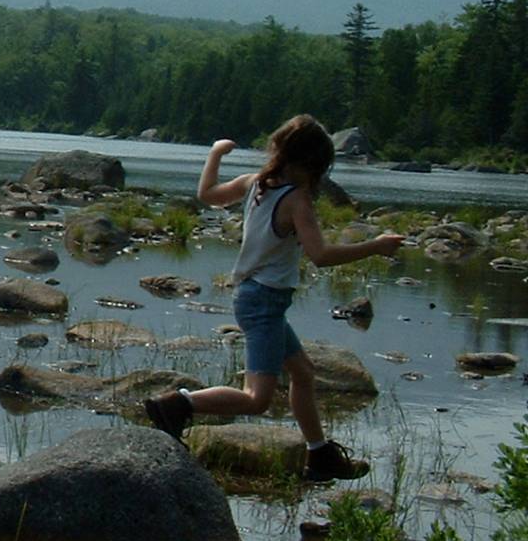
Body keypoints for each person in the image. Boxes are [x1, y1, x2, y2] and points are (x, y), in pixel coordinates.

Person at [144, 114, 404, 482]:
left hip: (255, 297)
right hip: (264, 302)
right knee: (256, 399)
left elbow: (207, 195)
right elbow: (321, 255)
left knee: (303, 372)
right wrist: (375, 247)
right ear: (311, 166)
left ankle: (319, 455)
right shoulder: (297, 200)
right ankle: (177, 404)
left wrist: (216, 154)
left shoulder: (255, 184)